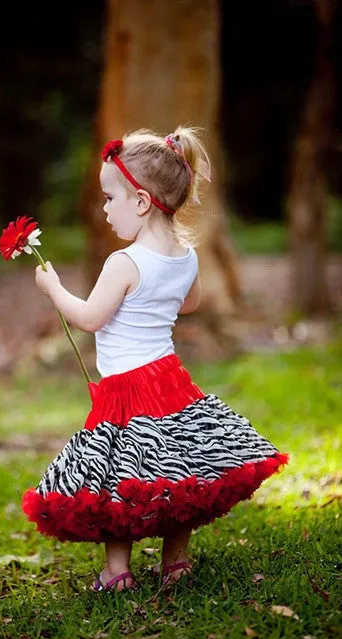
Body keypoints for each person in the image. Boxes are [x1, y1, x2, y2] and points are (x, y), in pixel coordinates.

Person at [22, 126, 289, 592]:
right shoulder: (185, 256)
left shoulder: (123, 264)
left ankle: (117, 570)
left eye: (110, 199)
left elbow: (88, 318)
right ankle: (176, 562)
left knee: (120, 476)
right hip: (169, 379)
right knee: (182, 469)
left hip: (126, 389)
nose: (104, 209)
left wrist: (53, 288)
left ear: (141, 202)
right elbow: (190, 303)